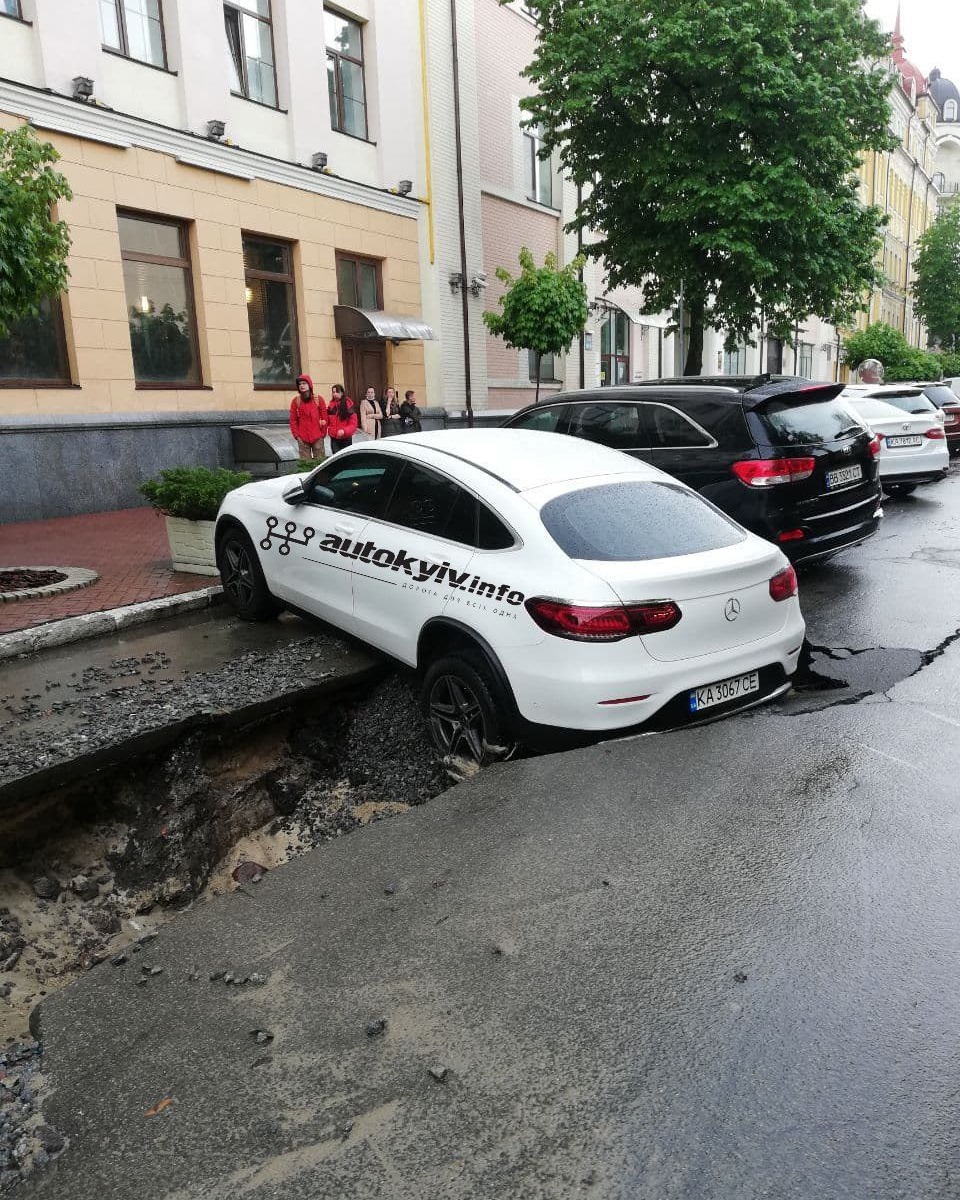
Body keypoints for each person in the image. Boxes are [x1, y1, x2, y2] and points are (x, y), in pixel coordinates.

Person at [288, 374, 327, 459]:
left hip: (317, 437)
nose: (301, 386)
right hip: (302, 438)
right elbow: (293, 420)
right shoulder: (296, 401)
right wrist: (297, 436)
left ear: (309, 384)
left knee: (320, 462)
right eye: (300, 384)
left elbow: (325, 417)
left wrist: (322, 434)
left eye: (304, 383)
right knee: (305, 464)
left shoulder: (318, 399)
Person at [327, 383, 358, 453]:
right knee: (335, 458)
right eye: (333, 392)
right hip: (334, 438)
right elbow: (328, 421)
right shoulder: (331, 406)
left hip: (346, 438)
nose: (334, 394)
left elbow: (353, 424)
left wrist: (344, 431)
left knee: (345, 458)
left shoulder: (349, 405)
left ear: (342, 393)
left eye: (337, 392)